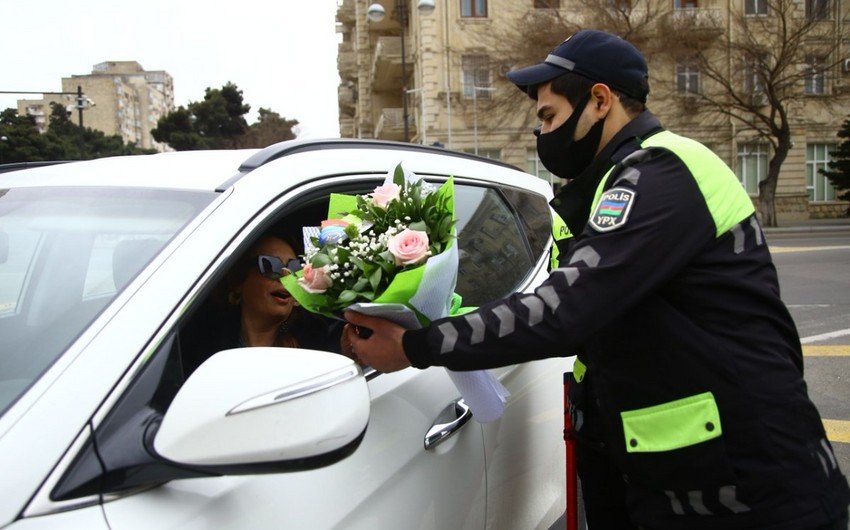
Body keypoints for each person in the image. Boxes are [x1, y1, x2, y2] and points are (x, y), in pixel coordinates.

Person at [344, 29, 850, 529]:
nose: (541, 134)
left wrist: (416, 346)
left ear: (600, 101)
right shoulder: (609, 183)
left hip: (755, 488)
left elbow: (564, 309)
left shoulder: (664, 170)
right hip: (681, 478)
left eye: (549, 116)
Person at [182, 233, 346, 374]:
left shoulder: (318, 346)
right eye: (270, 265)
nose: (284, 275)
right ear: (238, 282)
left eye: (294, 268)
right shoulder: (200, 343)